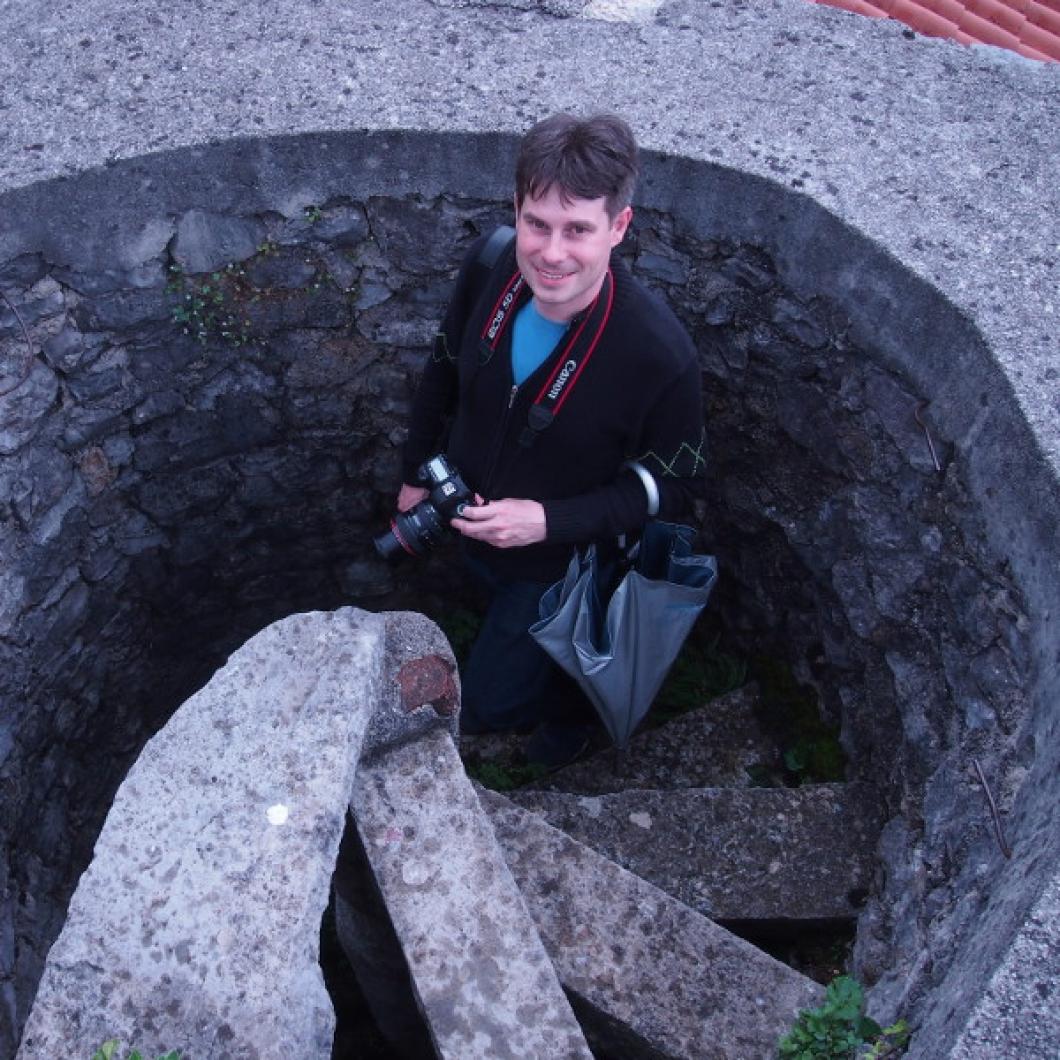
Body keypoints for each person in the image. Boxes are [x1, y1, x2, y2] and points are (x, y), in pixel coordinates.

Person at [397, 112, 706, 768]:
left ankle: (559, 722)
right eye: (537, 224)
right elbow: (445, 367)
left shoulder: (657, 354)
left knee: (489, 701)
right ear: (516, 209)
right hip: (468, 523)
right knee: (488, 632)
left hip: (557, 566)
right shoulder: (490, 265)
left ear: (619, 228)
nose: (551, 252)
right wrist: (414, 472)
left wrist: (549, 522)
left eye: (578, 230)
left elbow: (676, 485)